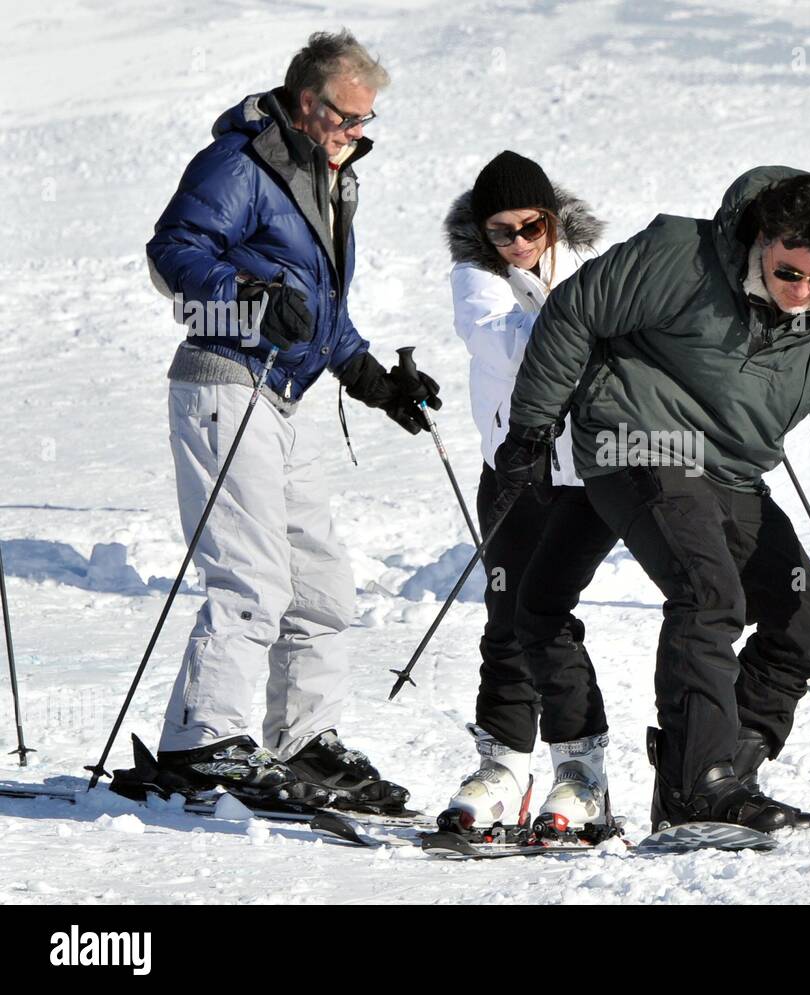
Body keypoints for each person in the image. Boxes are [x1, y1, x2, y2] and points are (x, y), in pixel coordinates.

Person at [493, 167, 810, 832]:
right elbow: (574, 312)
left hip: (730, 471)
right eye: (788, 272)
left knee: (805, 629)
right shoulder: (681, 256)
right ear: (760, 241)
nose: (801, 294)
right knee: (709, 595)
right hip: (637, 441)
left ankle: (717, 772)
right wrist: (533, 428)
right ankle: (698, 785)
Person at [140, 30, 440, 812]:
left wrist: (374, 379)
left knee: (321, 586)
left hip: (283, 395)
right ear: (308, 101)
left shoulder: (325, 177)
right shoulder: (241, 164)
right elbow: (173, 251)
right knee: (252, 575)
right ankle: (204, 740)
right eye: (347, 118)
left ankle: (302, 739)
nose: (356, 134)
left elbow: (316, 310)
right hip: (224, 385)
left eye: (366, 122)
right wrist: (244, 296)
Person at [439, 151, 619, 840]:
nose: (517, 243)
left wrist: (566, 315)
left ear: (552, 217)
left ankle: (581, 773)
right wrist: (571, 320)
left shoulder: (592, 263)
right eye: (501, 233)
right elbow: (505, 344)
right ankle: (504, 764)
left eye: (530, 226)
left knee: (547, 616)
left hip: (586, 476)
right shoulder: (475, 277)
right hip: (511, 472)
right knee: (505, 616)